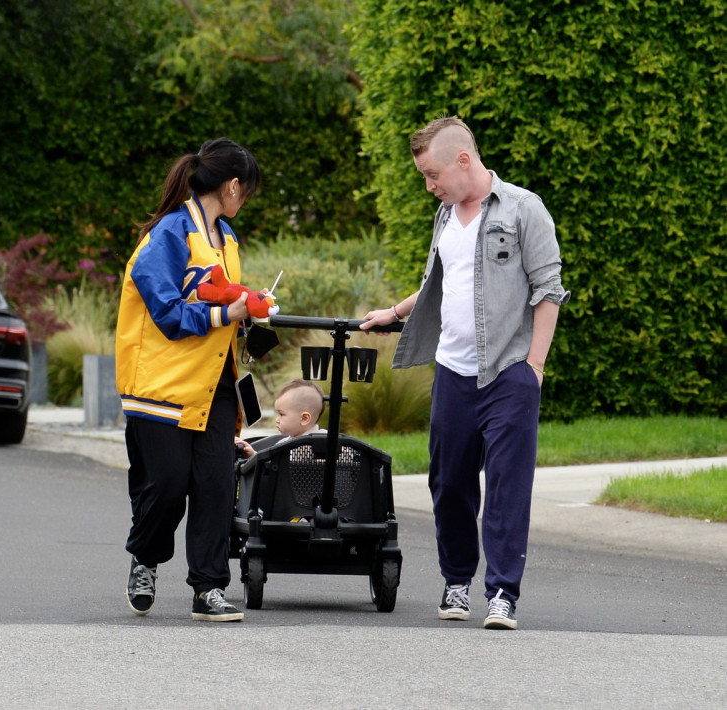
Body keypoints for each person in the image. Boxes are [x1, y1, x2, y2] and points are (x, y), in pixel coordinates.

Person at [361, 116, 569, 630]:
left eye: (432, 175)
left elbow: (548, 289)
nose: (429, 186)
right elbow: (441, 278)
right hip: (452, 372)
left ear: (463, 160)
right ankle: (457, 582)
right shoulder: (445, 216)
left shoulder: (524, 209)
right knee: (449, 483)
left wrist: (534, 368)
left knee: (505, 487)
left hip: (508, 373)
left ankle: (502, 595)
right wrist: (394, 312)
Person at [115, 137, 262, 622]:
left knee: (215, 483)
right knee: (167, 484)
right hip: (159, 385)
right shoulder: (168, 235)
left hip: (214, 383)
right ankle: (146, 557)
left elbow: (224, 304)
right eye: (249, 190)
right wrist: (226, 313)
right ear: (233, 185)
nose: (248, 199)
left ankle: (208, 588)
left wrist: (249, 313)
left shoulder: (229, 239)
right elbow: (166, 313)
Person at [235, 379, 326, 458]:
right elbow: (269, 465)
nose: (277, 420)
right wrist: (253, 455)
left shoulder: (326, 442)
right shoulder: (283, 443)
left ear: (304, 419)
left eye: (281, 414)